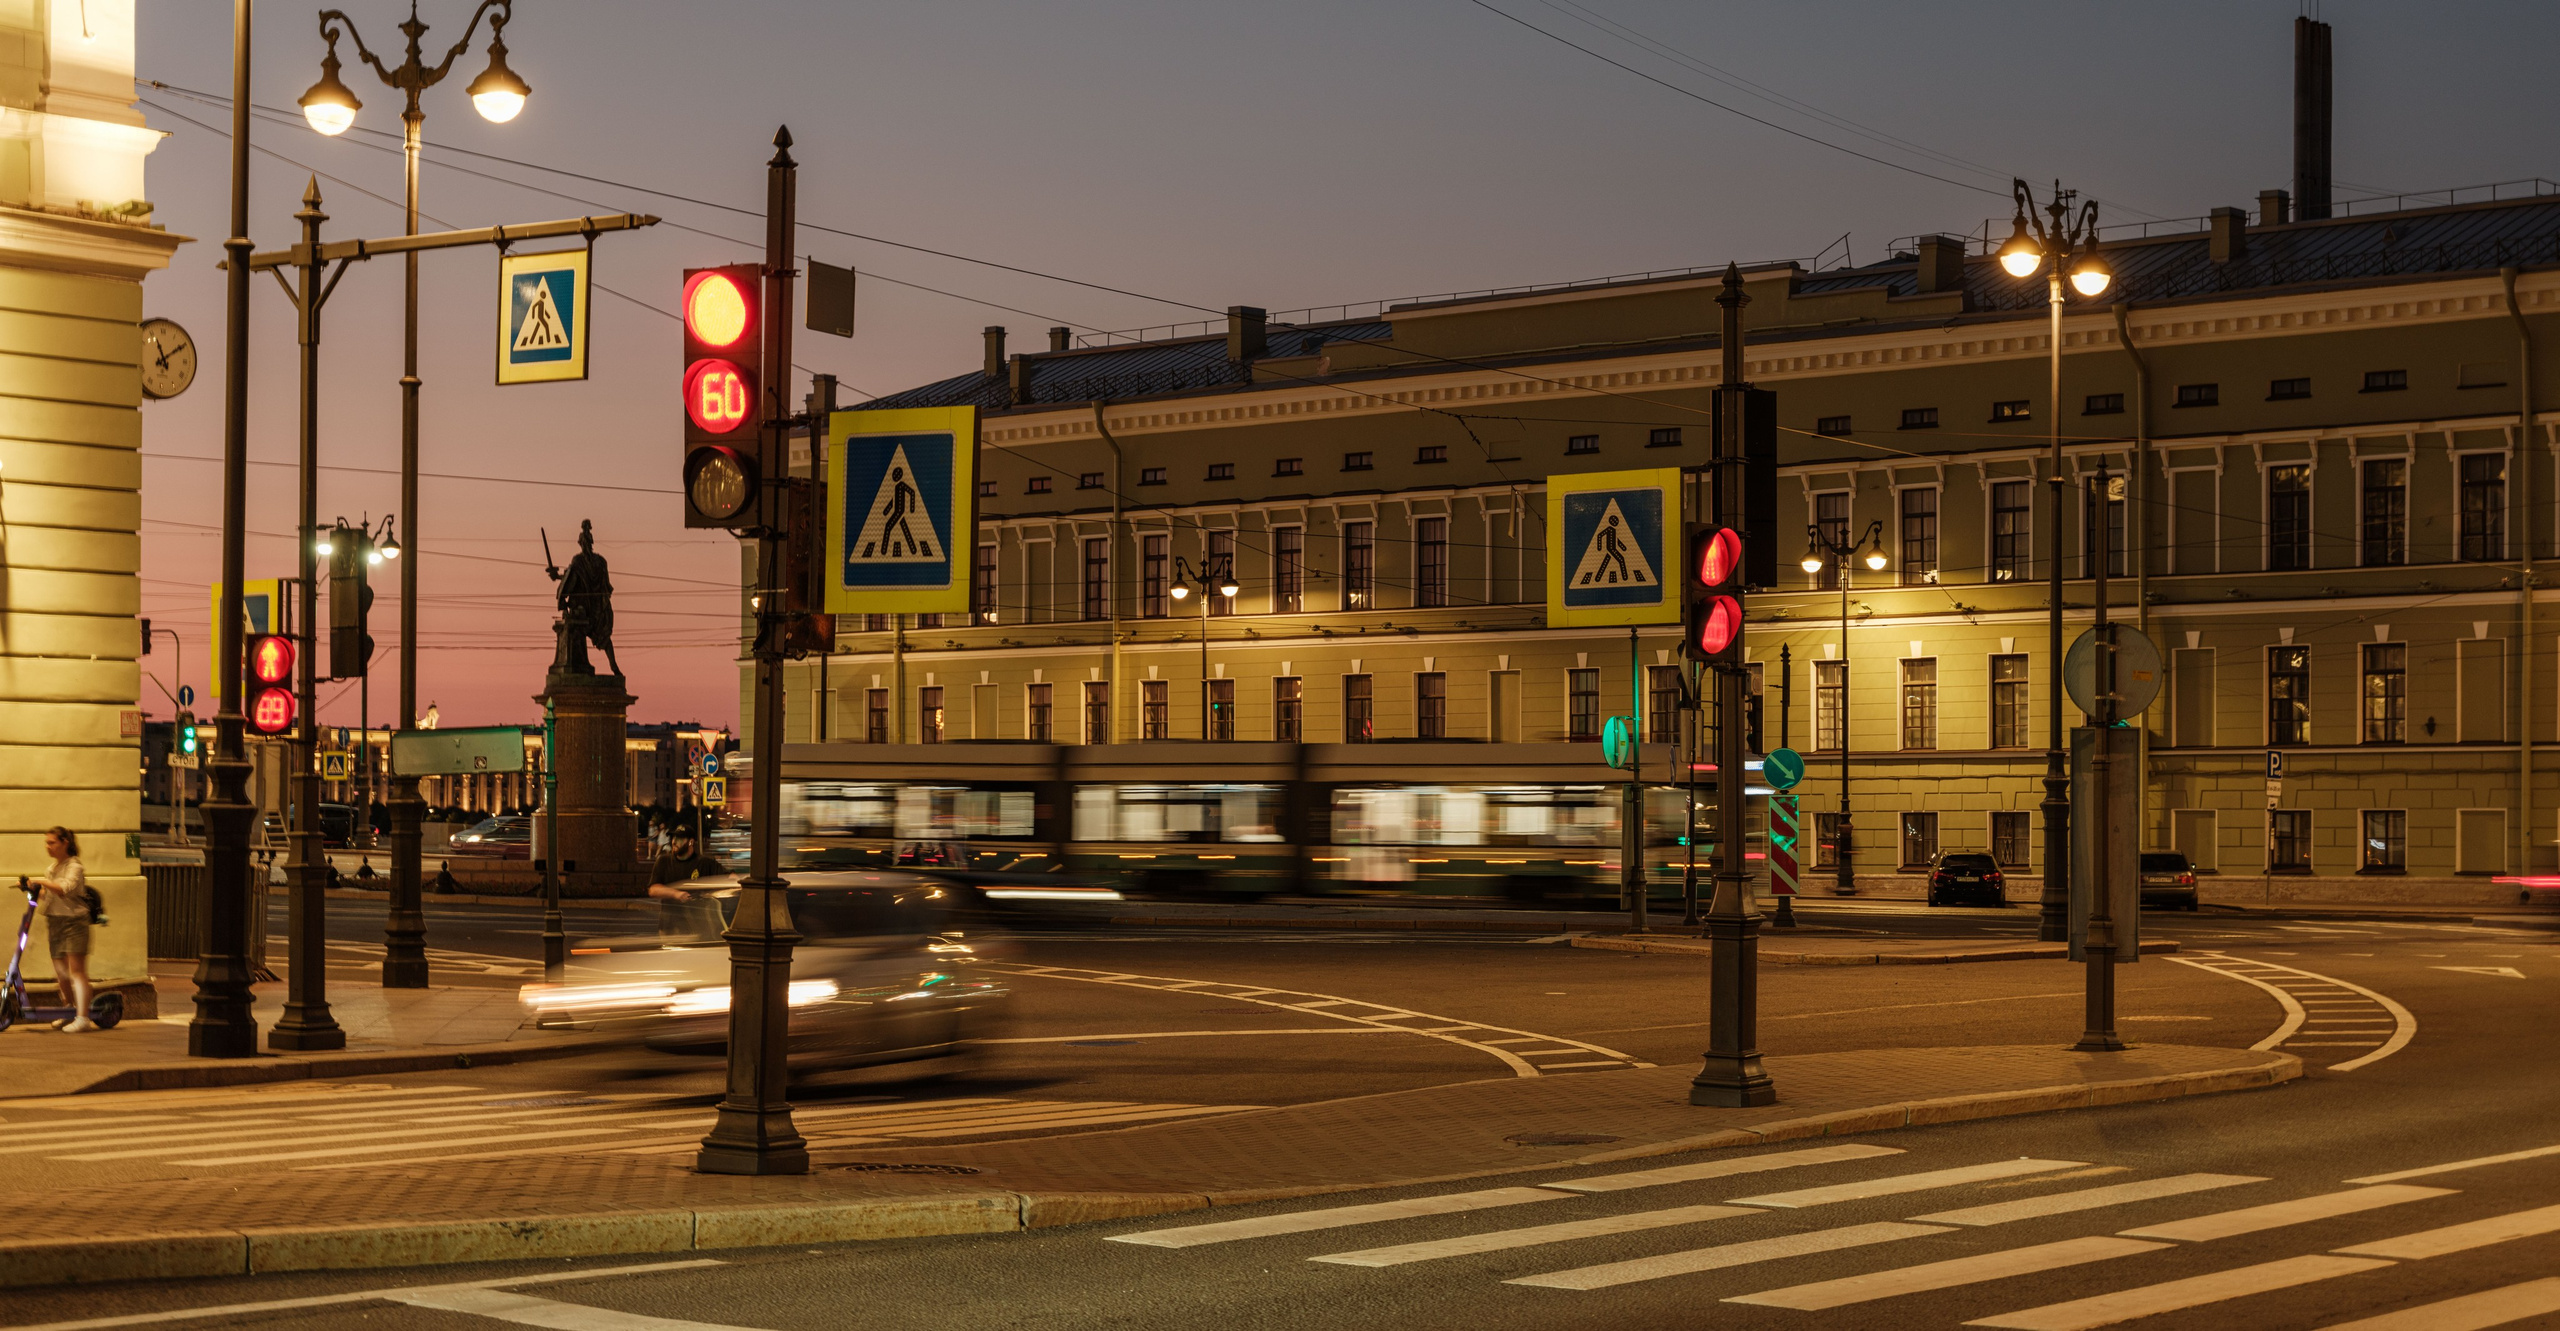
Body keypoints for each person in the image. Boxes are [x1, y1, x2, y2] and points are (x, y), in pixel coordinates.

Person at [36, 827, 97, 1033]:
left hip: (75, 922)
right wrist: (32, 888)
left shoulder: (75, 866)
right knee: (61, 972)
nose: (48, 847)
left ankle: (83, 1018)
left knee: (76, 972)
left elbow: (65, 888)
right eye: (47, 843)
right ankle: (69, 1009)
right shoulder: (52, 868)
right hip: (55, 921)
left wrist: (42, 882)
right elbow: (49, 895)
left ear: (65, 843)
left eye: (52, 842)